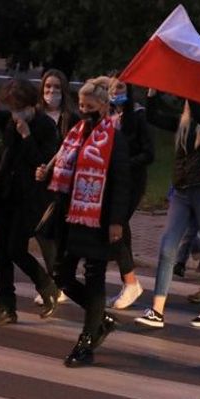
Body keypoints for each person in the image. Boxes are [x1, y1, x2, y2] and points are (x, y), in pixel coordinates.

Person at [37, 76, 132, 366]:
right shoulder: (76, 132)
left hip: (99, 219)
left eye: (89, 106)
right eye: (80, 105)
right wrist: (47, 175)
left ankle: (87, 341)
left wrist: (116, 221)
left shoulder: (114, 137)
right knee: (61, 275)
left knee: (95, 277)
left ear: (103, 107)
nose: (83, 110)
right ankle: (100, 318)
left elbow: (122, 182)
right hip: (70, 216)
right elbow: (66, 170)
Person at [0, 77, 60, 326]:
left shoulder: (45, 126)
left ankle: (46, 284)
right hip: (4, 194)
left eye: (19, 108)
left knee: (16, 249)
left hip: (28, 199)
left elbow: (44, 163)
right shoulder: (8, 121)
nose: (15, 113)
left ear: (31, 105)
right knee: (1, 255)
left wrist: (27, 137)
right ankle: (6, 307)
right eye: (11, 107)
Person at [136, 94, 200, 327]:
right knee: (167, 248)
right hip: (181, 192)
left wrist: (191, 88)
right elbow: (153, 116)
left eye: (190, 97)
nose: (186, 102)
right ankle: (157, 309)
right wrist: (153, 94)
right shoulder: (183, 122)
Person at [104, 78, 154, 311]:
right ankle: (128, 280)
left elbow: (149, 153)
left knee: (116, 225)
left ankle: (131, 281)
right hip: (111, 180)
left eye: (121, 88)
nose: (116, 92)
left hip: (131, 181)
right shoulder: (108, 115)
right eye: (112, 89)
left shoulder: (138, 115)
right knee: (120, 228)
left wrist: (124, 163)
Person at [33, 69, 80, 307]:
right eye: (48, 87)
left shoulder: (72, 118)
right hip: (40, 183)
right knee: (41, 231)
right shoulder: (36, 116)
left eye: (57, 88)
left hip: (63, 185)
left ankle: (58, 282)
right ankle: (56, 280)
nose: (52, 92)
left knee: (55, 233)